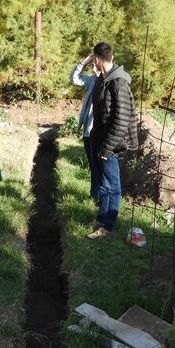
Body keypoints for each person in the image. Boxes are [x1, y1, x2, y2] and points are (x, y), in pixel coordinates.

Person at [87, 41, 138, 239]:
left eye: (94, 60)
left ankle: (108, 226)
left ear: (97, 59)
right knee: (104, 184)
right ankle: (101, 218)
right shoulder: (106, 78)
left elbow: (122, 120)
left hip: (112, 144)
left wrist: (107, 148)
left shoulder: (119, 83)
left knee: (112, 186)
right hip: (102, 141)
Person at [70, 54, 100, 200]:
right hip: (88, 131)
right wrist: (83, 62)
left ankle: (98, 197)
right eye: (92, 65)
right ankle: (95, 196)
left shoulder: (107, 82)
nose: (93, 67)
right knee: (93, 165)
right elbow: (75, 78)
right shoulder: (92, 81)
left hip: (98, 132)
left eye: (95, 64)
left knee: (98, 167)